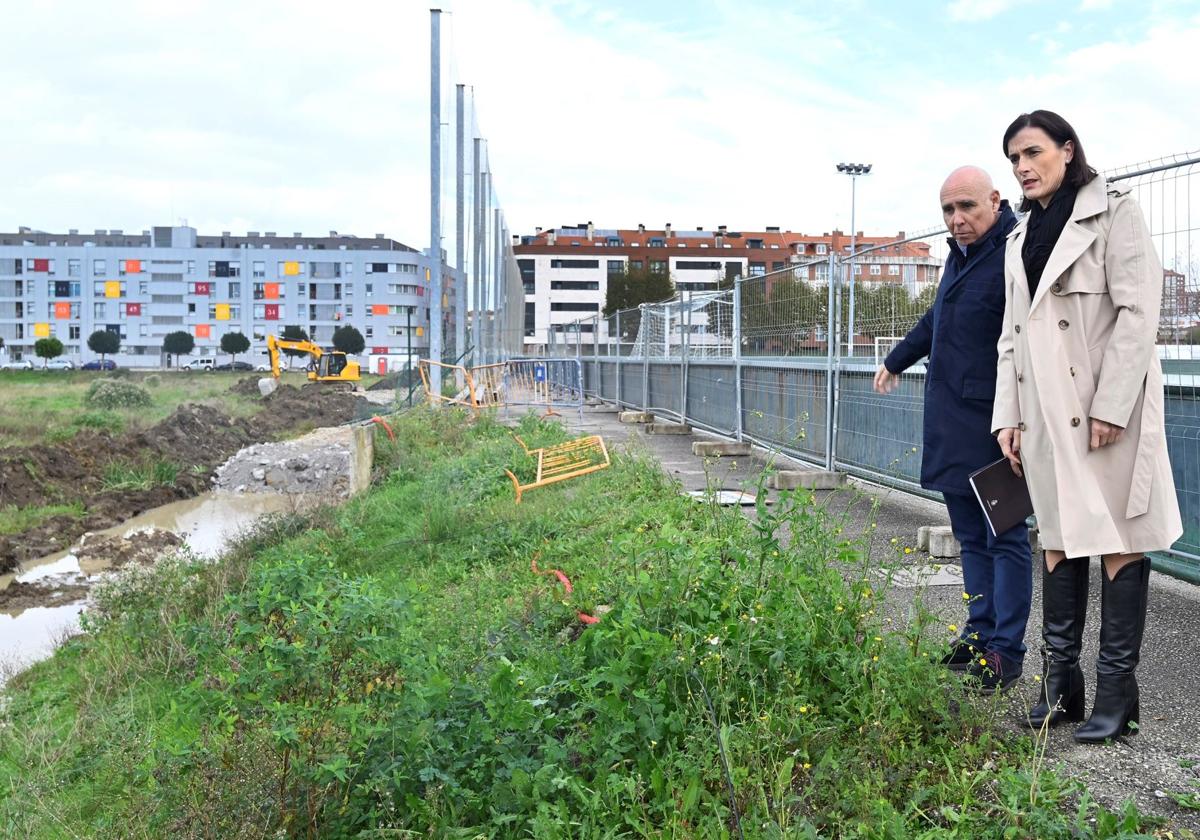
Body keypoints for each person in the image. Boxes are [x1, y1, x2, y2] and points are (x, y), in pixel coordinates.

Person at [993, 110, 1182, 742]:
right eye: (1014, 158)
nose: (1022, 167)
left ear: (1067, 152)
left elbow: (1138, 310)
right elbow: (1010, 338)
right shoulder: (1019, 239)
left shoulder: (1114, 212)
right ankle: (1060, 689)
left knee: (1120, 538)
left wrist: (1113, 403)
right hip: (1043, 414)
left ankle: (1116, 693)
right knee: (1056, 539)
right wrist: (1008, 416)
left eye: (1032, 153)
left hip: (1105, 412)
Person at [875, 165, 1031, 693]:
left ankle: (1006, 651)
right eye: (948, 210)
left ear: (995, 199)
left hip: (996, 424)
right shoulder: (957, 258)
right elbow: (934, 322)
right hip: (951, 422)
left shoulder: (1015, 251)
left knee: (1005, 536)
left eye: (966, 207)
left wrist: (1020, 417)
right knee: (969, 537)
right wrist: (896, 359)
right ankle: (979, 632)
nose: (957, 219)